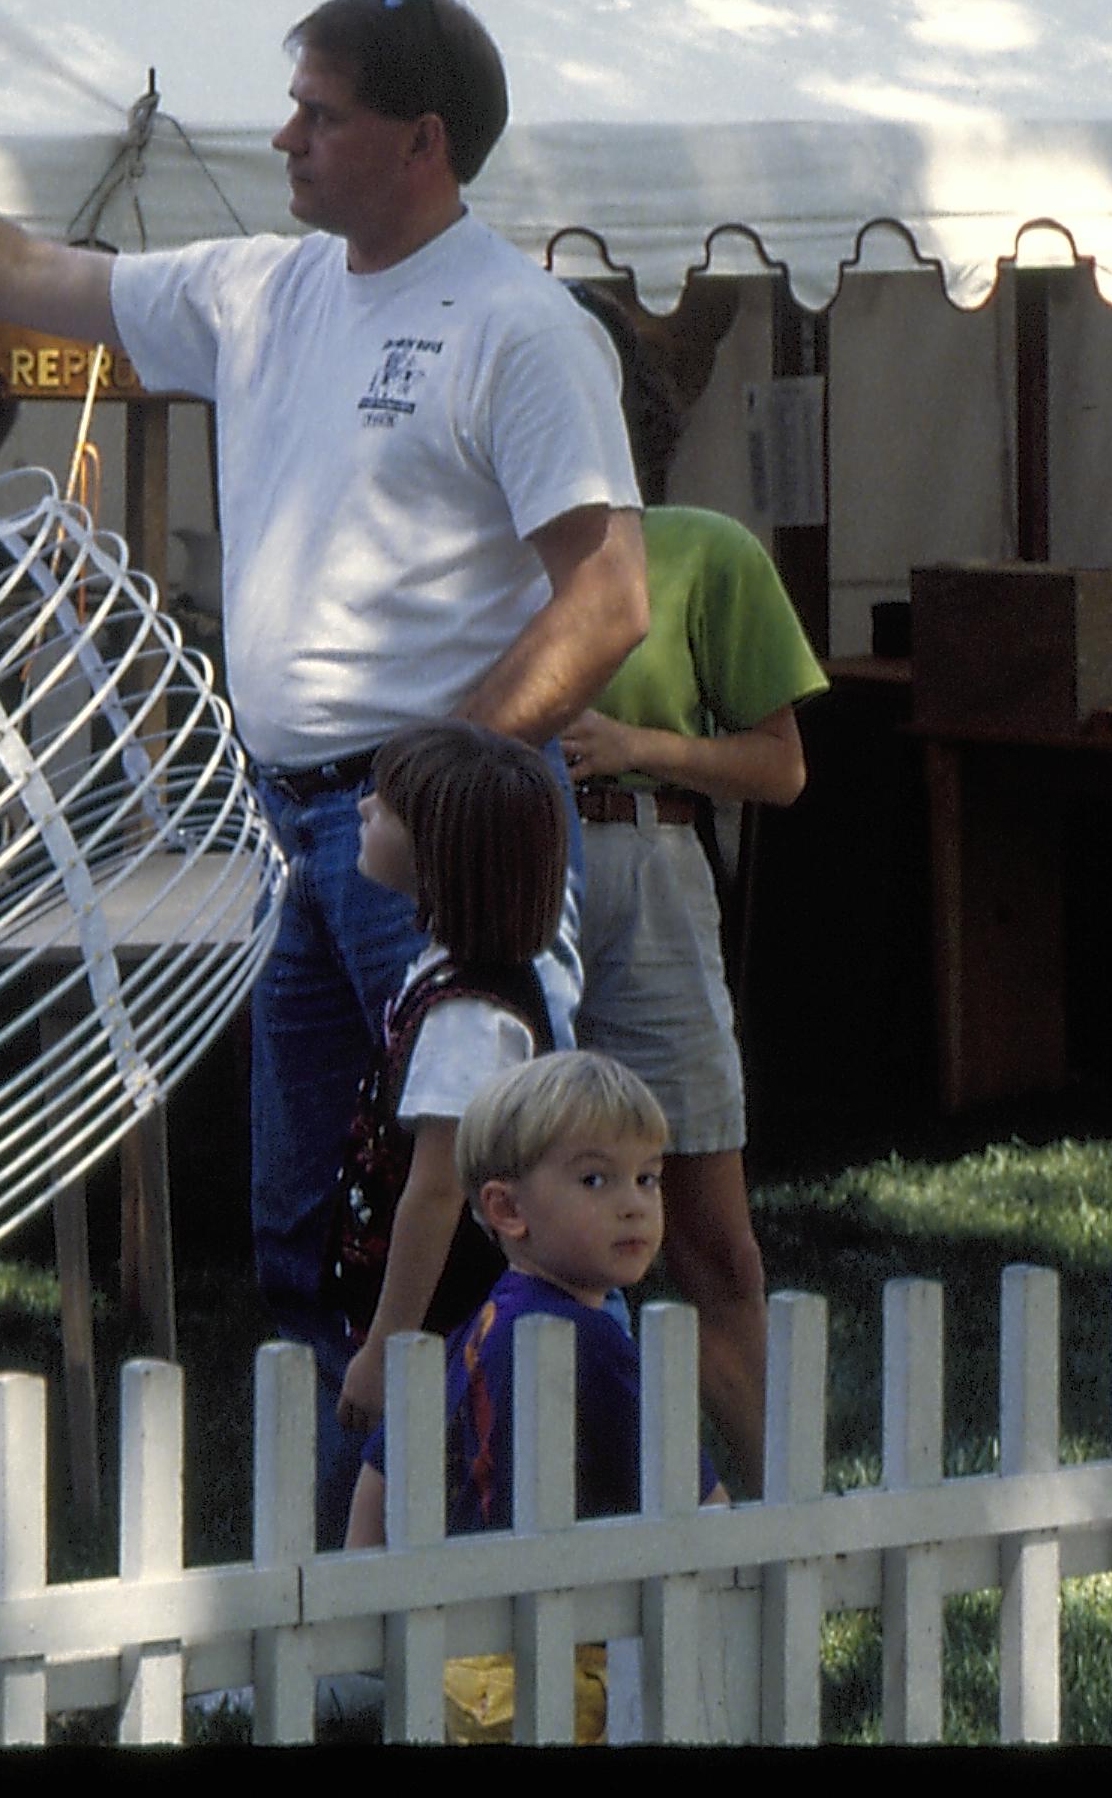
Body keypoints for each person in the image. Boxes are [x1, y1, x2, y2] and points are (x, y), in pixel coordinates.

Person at [0, 0, 647, 1543]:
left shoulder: (520, 328)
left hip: (441, 835)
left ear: (420, 141)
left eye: (317, 111)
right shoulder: (264, 292)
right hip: (299, 834)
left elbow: (607, 596)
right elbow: (6, 265)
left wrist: (434, 778)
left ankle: (471, 1599)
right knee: (311, 1237)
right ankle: (343, 1605)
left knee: (476, 1233)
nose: (283, 136)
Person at [558, 498, 823, 1496]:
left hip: (648, 863)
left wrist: (639, 746)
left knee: (712, 1237)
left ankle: (778, 1513)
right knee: (478, 1199)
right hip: (497, 848)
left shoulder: (702, 547)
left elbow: (782, 767)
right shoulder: (450, 534)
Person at [345, 1047, 725, 1743]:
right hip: (566, 1671)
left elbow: (380, 1468)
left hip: (457, 1665)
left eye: (648, 1177)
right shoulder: (592, 1341)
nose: (634, 1204)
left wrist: (366, 1597)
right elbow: (699, 1503)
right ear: (507, 1208)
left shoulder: (477, 1326)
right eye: (595, 1178)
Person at [326, 722, 571, 1442]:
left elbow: (437, 1193)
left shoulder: (469, 1018)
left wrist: (382, 1350)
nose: (364, 807)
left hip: (451, 1333)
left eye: (388, 806)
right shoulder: (443, 974)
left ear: (443, 855)